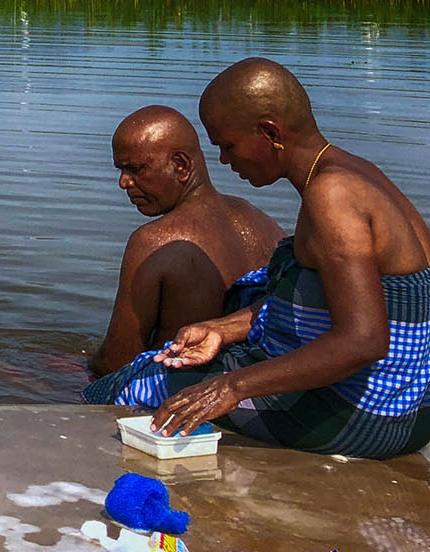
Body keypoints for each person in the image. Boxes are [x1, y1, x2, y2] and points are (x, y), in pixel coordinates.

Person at [93, 58, 430, 459]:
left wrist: (231, 387)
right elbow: (341, 303)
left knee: (132, 382)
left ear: (270, 133)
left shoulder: (332, 195)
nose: (224, 160)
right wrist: (222, 329)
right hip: (413, 414)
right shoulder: (362, 174)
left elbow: (364, 340)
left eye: (228, 146)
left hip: (360, 416)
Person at [86, 106, 284, 380]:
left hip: (179, 387)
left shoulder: (154, 242)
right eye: (121, 169)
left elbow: (117, 362)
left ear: (181, 165)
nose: (124, 182)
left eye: (135, 169)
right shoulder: (264, 223)